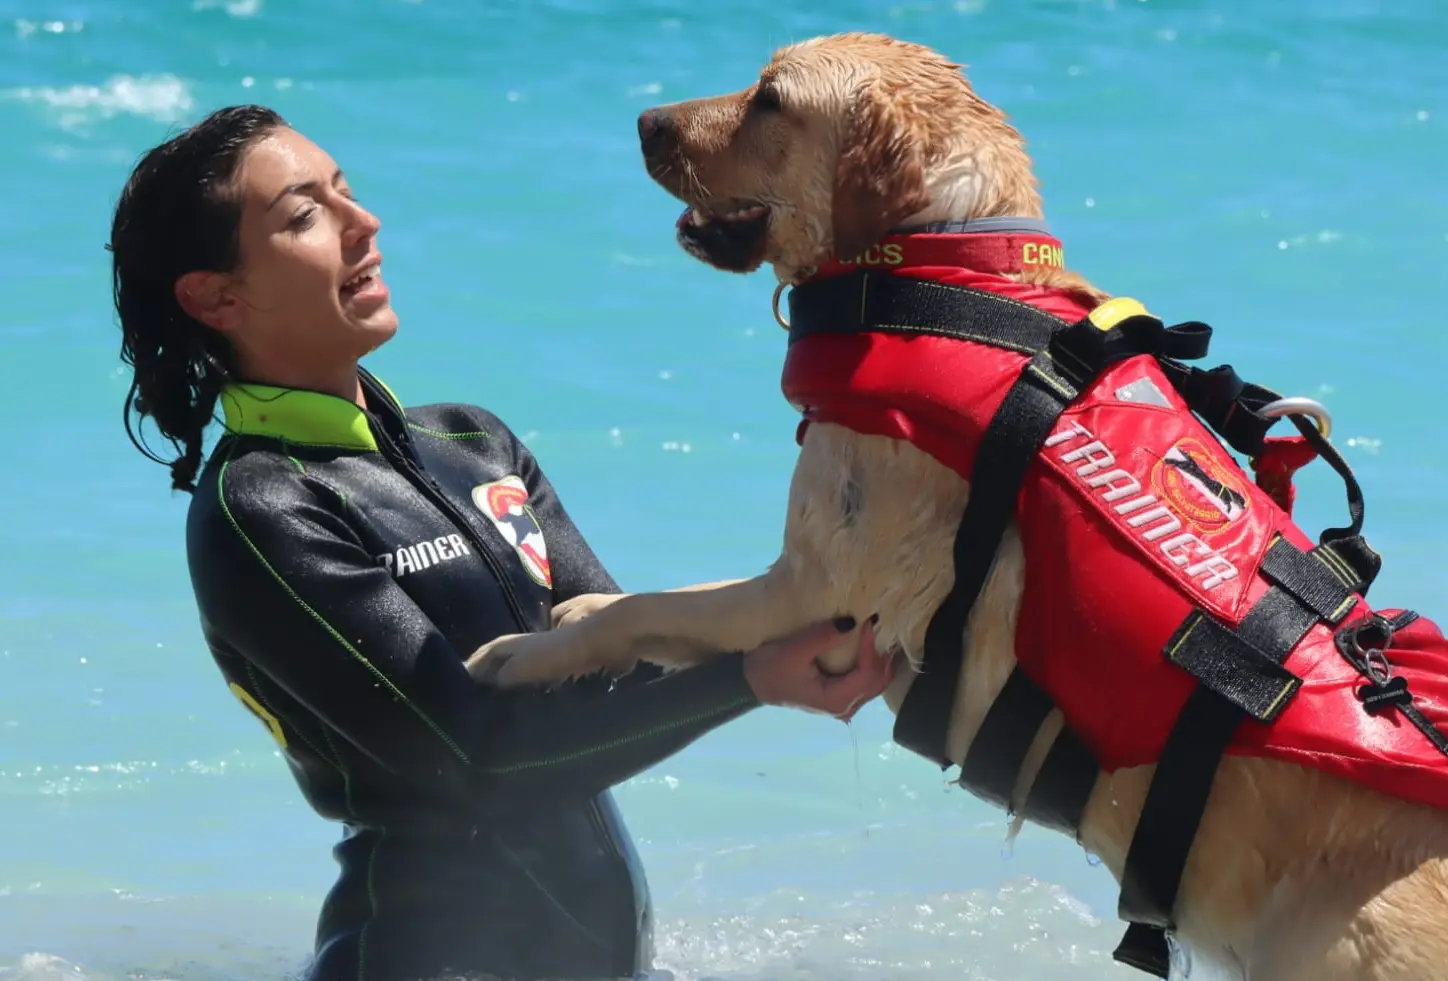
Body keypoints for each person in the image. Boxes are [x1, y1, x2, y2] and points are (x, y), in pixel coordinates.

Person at [108, 104, 899, 981]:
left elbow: (630, 654)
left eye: (347, 194)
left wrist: (814, 609)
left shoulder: (474, 443)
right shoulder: (260, 507)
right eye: (304, 216)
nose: (362, 225)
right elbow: (473, 763)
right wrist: (752, 679)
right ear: (214, 296)